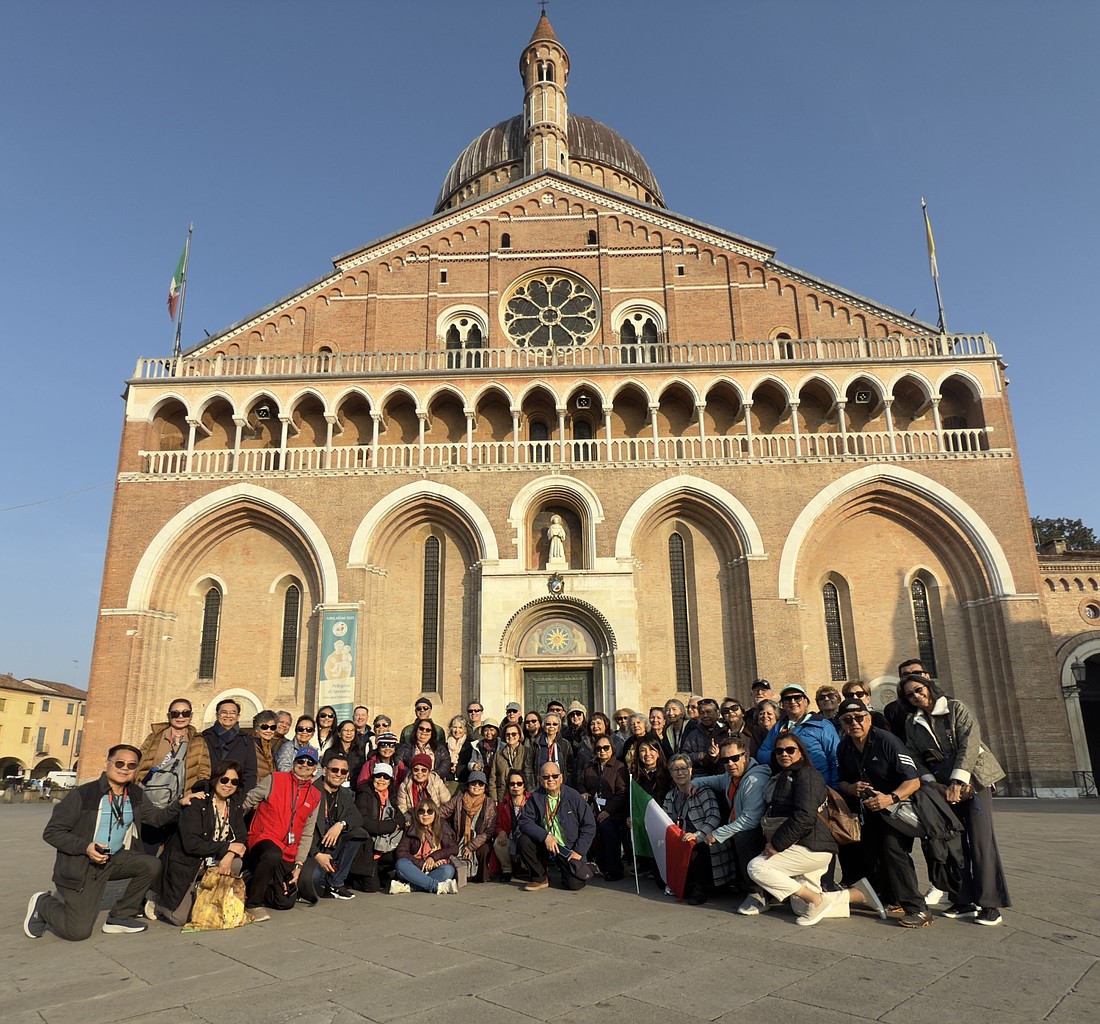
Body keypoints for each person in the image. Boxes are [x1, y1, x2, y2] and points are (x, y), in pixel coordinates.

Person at [24, 745, 197, 940]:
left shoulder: (135, 794)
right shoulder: (83, 794)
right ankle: (43, 903)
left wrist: (179, 804)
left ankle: (121, 916)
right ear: (107, 763)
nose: (125, 768)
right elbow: (52, 832)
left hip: (113, 859)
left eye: (131, 765)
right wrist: (86, 847)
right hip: (82, 866)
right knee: (77, 932)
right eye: (120, 763)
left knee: (151, 864)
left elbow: (156, 818)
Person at [901, 674, 1011, 926]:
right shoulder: (912, 721)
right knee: (953, 844)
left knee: (981, 842)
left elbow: (969, 744)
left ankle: (990, 904)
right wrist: (933, 783)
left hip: (974, 780)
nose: (916, 696)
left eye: (919, 690)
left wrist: (958, 782)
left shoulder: (955, 707)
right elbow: (914, 755)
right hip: (942, 786)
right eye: (909, 694)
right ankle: (963, 900)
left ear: (928, 688)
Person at [747, 733, 880, 926]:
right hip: (802, 844)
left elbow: (805, 816)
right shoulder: (784, 775)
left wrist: (776, 844)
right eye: (779, 750)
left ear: (800, 752)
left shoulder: (807, 775)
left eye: (790, 750)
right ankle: (857, 895)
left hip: (812, 847)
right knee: (801, 907)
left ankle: (816, 899)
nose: (784, 754)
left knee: (757, 867)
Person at [835, 698, 927, 926]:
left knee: (894, 851)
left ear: (869, 718)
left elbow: (913, 781)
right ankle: (891, 898)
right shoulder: (844, 746)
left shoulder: (887, 741)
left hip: (895, 808)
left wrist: (890, 797)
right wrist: (851, 788)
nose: (854, 723)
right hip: (869, 811)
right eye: (848, 720)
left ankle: (918, 908)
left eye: (859, 718)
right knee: (873, 854)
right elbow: (842, 782)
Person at [155, 759, 248, 925]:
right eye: (224, 780)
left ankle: (211, 898)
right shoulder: (198, 803)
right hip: (188, 862)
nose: (228, 785)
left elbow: (240, 839)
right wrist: (227, 846)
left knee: (235, 863)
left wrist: (228, 856)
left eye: (234, 782)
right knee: (180, 919)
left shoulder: (234, 805)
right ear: (215, 779)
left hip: (214, 860)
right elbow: (192, 844)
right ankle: (158, 901)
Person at [241, 746, 323, 919]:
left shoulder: (315, 795)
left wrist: (299, 865)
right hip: (264, 838)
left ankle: (250, 882)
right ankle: (253, 905)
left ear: (315, 768)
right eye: (301, 760)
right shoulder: (275, 779)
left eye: (310, 763)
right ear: (294, 762)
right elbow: (247, 802)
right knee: (272, 854)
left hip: (289, 849)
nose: (304, 765)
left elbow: (308, 833)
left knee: (285, 902)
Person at [690, 736, 770, 913]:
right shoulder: (731, 776)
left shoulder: (754, 780)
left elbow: (750, 819)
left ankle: (757, 895)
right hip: (740, 826)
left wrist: (718, 834)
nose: (730, 763)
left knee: (742, 837)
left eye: (735, 758)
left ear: (746, 756)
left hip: (760, 832)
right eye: (725, 760)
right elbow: (715, 780)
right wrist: (695, 782)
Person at [135, 698, 212, 852]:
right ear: (169, 715)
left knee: (172, 848)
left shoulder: (198, 741)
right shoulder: (155, 737)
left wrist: (195, 795)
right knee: (148, 846)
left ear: (191, 716)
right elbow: (140, 762)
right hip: (150, 798)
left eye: (185, 713)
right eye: (175, 713)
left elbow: (204, 770)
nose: (180, 717)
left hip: (182, 800)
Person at [517, 759, 596, 891]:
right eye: (546, 776)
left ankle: (567, 869)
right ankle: (540, 878)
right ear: (541, 780)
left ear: (561, 778)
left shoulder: (574, 796)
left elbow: (589, 826)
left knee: (574, 885)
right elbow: (525, 821)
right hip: (547, 844)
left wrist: (578, 851)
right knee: (524, 840)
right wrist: (545, 836)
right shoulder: (536, 797)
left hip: (569, 849)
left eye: (554, 776)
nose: (550, 779)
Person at [300, 752, 363, 901]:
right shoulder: (310, 791)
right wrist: (317, 855)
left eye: (343, 771)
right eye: (334, 770)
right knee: (314, 881)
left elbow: (357, 817)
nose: (338, 774)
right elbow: (299, 830)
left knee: (359, 834)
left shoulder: (345, 793)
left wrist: (340, 825)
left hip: (330, 845)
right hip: (309, 849)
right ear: (324, 770)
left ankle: (336, 883)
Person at [662, 753, 721, 904]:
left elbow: (714, 816)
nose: (680, 773)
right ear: (670, 773)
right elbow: (665, 821)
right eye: (675, 770)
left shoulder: (703, 791)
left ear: (691, 770)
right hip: (680, 838)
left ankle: (699, 889)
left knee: (698, 850)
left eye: (683, 768)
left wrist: (698, 835)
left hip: (702, 839)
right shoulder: (670, 796)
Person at [756, 684, 840, 788]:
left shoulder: (822, 725)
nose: (792, 701)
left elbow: (836, 757)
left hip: (817, 785)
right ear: (782, 704)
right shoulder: (779, 727)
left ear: (806, 701)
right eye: (787, 699)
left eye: (797, 697)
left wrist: (835, 788)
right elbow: (762, 753)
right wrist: (780, 756)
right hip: (787, 785)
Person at [348, 763, 406, 893]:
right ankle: (353, 877)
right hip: (367, 843)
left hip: (382, 843)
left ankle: (379, 872)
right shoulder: (364, 794)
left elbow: (400, 819)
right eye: (378, 776)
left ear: (390, 781)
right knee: (372, 888)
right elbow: (365, 822)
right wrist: (392, 826)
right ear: (372, 777)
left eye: (386, 777)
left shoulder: (390, 796)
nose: (381, 780)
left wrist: (394, 824)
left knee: (399, 853)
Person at [579, 733, 629, 881]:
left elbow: (622, 793)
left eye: (606, 748)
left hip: (614, 812)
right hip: (593, 809)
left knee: (607, 828)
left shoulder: (619, 767)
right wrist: (584, 792)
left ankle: (615, 869)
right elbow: (580, 783)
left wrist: (608, 811)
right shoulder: (590, 766)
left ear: (612, 749)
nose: (602, 751)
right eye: (599, 748)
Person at [391, 798, 459, 894]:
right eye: (421, 811)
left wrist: (434, 857)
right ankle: (436, 886)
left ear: (435, 814)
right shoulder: (411, 828)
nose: (425, 814)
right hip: (415, 868)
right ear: (417, 814)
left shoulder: (442, 826)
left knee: (448, 870)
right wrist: (421, 864)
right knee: (401, 864)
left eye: (430, 811)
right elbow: (401, 852)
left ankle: (411, 887)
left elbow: (454, 848)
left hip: (435, 869)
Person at [439, 770, 497, 883]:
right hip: (459, 838)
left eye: (480, 784)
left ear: (485, 787)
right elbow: (442, 813)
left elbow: (489, 831)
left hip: (480, 839)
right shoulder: (459, 799)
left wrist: (471, 846)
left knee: (484, 849)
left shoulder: (490, 804)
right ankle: (463, 874)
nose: (476, 786)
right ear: (468, 785)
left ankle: (480, 876)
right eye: (473, 783)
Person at [203, 699, 258, 792]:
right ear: (217, 715)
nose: (228, 715)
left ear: (238, 716)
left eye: (232, 713)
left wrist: (243, 796)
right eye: (224, 712)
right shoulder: (204, 737)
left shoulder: (246, 740)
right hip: (208, 792)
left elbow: (250, 773)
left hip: (236, 794)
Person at [491, 768, 529, 882]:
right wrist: (500, 832)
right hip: (510, 836)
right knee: (498, 842)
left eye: (519, 783)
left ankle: (527, 868)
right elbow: (497, 825)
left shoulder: (531, 801)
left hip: (526, 837)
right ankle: (507, 870)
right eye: (512, 784)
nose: (515, 786)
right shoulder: (503, 805)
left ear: (524, 786)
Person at [490, 722, 529, 801]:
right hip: (503, 796)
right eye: (507, 734)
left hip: (522, 796)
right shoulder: (498, 754)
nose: (510, 736)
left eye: (514, 734)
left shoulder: (527, 752)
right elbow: (492, 778)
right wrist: (494, 799)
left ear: (519, 735)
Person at [326, 720, 365, 791]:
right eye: (346, 730)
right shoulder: (330, 752)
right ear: (339, 733)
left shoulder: (360, 752)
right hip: (335, 788)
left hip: (355, 789)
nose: (349, 733)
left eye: (352, 730)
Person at [534, 712, 571, 785]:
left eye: (555, 724)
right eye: (548, 724)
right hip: (540, 786)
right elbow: (529, 768)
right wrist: (532, 788)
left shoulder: (565, 744)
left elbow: (570, 768)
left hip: (560, 786)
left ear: (558, 727)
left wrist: (567, 786)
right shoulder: (536, 744)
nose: (551, 726)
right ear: (544, 727)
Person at [252, 710, 281, 785]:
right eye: (264, 727)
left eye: (272, 727)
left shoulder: (269, 747)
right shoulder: (249, 745)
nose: (269, 730)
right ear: (256, 729)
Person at [445, 715, 473, 783]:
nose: (457, 730)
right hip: (449, 782)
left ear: (465, 729)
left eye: (460, 727)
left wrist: (457, 769)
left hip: (465, 781)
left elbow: (471, 763)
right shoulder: (445, 746)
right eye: (454, 727)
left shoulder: (471, 745)